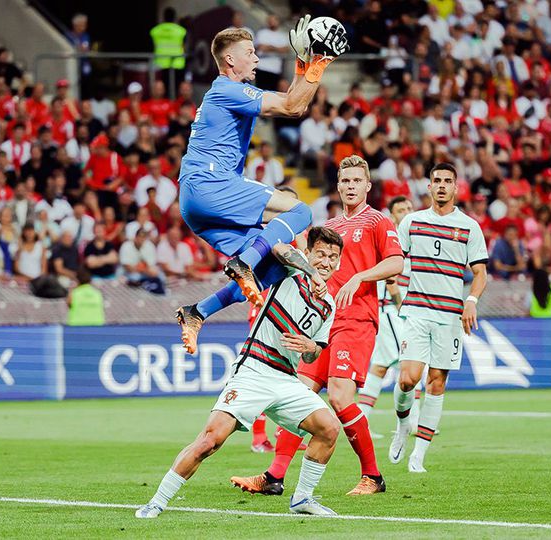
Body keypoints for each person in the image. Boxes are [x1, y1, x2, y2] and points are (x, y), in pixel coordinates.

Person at [135, 227, 344, 518]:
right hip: (254, 370)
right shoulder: (289, 273)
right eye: (320, 254)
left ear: (340, 263)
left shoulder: (328, 305)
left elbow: (313, 353)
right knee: (210, 440)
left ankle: (303, 499)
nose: (327, 261)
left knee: (329, 429)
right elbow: (280, 248)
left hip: (286, 378)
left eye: (333, 257)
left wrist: (310, 346)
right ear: (308, 254)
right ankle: (156, 501)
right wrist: (311, 272)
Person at [231, 155, 404, 496]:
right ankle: (275, 476)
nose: (350, 186)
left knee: (340, 398)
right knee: (299, 397)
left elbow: (396, 262)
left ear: (367, 186)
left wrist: (360, 277)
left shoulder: (377, 222)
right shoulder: (329, 229)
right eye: (345, 181)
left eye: (357, 181)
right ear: (338, 185)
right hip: (322, 324)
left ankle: (373, 476)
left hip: (356, 320)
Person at [177, 21, 348, 310]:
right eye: (250, 52)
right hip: (211, 183)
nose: (257, 58)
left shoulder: (230, 93)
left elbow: (295, 102)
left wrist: (304, 63)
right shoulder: (227, 90)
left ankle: (198, 312)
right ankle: (244, 262)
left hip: (196, 202)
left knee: (275, 266)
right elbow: (293, 107)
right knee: (301, 210)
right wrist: (320, 63)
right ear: (230, 60)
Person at [389, 162, 488, 473]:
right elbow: (395, 261)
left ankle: (419, 455)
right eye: (437, 181)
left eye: (448, 181)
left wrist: (471, 300)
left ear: (456, 188)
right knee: (408, 378)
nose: (442, 185)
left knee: (437, 382)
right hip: (416, 311)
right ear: (428, 187)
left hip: (449, 315)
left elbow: (480, 273)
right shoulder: (412, 222)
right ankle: (402, 425)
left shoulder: (470, 227)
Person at [357, 196, 421, 433]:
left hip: (391, 311)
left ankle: (361, 421)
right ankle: (412, 422)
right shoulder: (390, 238)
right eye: (401, 209)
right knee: (410, 362)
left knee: (381, 366)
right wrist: (402, 307)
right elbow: (391, 280)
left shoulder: (411, 238)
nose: (407, 211)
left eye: (410, 207)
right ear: (392, 215)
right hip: (392, 311)